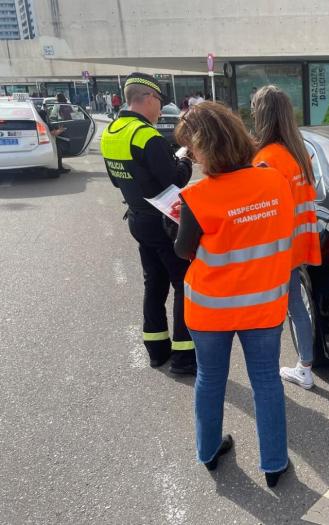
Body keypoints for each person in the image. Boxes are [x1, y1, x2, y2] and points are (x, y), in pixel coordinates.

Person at [173, 102, 294, 486]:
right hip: (264, 305)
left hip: (211, 310)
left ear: (203, 149)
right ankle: (274, 463)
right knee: (266, 381)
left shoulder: (197, 197)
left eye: (191, 149)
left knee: (211, 379)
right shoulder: (274, 180)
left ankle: (208, 451)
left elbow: (183, 249)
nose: (190, 156)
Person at [100, 72, 197, 375]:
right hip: (163, 223)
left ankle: (156, 350)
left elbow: (117, 181)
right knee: (183, 284)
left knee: (154, 283)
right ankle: (184, 357)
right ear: (150, 98)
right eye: (159, 102)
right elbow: (174, 181)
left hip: (138, 219)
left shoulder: (111, 132)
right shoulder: (147, 136)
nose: (159, 110)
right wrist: (185, 159)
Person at [252, 85, 321, 390]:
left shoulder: (265, 159)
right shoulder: (300, 153)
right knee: (296, 309)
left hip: (273, 253)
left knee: (269, 318)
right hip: (296, 247)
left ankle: (270, 378)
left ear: (261, 116)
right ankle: (305, 366)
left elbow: (258, 212)